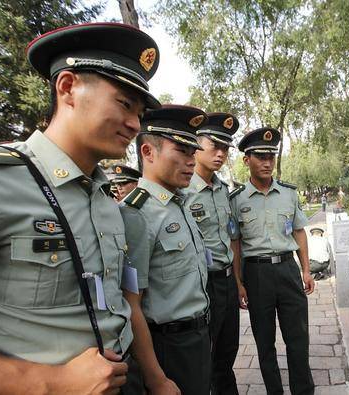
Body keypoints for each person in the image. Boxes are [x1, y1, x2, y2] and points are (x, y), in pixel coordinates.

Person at [0, 22, 160, 393]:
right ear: (67, 87)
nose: (135, 124)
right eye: (124, 103)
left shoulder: (104, 198)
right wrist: (50, 382)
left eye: (140, 112)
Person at [120, 104, 211, 395]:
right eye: (182, 152)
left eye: (193, 153)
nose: (191, 162)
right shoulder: (137, 213)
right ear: (148, 152)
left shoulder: (179, 203)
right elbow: (131, 304)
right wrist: (155, 378)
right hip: (168, 346)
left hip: (197, 337)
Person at [230, 127, 315, 395]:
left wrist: (306, 270)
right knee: (264, 343)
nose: (267, 162)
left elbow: (299, 231)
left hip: (288, 271)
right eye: (260, 157)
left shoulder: (289, 194)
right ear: (247, 160)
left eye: (271, 156)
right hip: (256, 276)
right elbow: (236, 243)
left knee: (298, 340)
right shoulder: (236, 200)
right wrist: (238, 282)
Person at [183, 112, 240, 394]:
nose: (221, 153)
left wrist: (238, 283)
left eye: (226, 148)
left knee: (227, 352)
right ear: (196, 144)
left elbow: (230, 239)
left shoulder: (222, 189)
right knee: (205, 355)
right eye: (214, 145)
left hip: (227, 281)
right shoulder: (183, 190)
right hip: (203, 283)